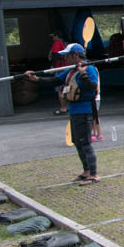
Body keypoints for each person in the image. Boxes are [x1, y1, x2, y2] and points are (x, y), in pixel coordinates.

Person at [25, 44, 100, 184]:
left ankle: (93, 175)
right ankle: (86, 171)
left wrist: (83, 73)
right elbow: (54, 81)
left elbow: (91, 87)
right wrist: (36, 79)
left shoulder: (90, 69)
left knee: (85, 143)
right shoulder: (70, 71)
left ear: (75, 55)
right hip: (74, 110)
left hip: (85, 110)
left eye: (67, 55)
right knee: (77, 142)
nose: (64, 58)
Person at [49, 32, 68, 115]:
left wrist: (53, 67)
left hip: (60, 68)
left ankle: (63, 108)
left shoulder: (57, 43)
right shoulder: (66, 44)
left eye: (53, 36)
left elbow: (55, 55)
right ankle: (67, 107)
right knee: (67, 88)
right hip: (67, 68)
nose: (52, 38)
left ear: (57, 36)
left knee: (60, 89)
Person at [91, 75, 103, 141]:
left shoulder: (93, 69)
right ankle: (96, 133)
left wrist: (96, 93)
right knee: (94, 116)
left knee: (94, 116)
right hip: (95, 97)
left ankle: (98, 134)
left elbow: (96, 83)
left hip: (95, 97)